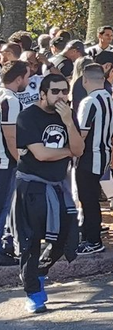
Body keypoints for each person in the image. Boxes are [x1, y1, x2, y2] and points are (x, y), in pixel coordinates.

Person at [13, 73, 84, 312]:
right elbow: (41, 154)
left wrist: (69, 123)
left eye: (65, 91)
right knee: (31, 240)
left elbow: (79, 149)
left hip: (58, 186)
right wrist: (68, 151)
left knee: (66, 238)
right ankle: (32, 290)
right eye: (55, 91)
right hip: (33, 187)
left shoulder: (67, 115)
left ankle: (40, 271)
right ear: (43, 93)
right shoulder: (27, 116)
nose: (61, 96)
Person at [73, 65, 113, 255]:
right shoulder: (108, 98)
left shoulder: (89, 101)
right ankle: (92, 234)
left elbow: (82, 133)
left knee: (88, 199)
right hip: (104, 153)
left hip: (89, 155)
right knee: (92, 198)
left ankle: (93, 240)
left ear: (84, 80)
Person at [1, 61, 30, 266]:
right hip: (4, 162)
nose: (28, 81)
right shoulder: (10, 100)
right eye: (27, 77)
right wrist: (21, 162)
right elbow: (10, 137)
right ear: (19, 78)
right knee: (3, 207)